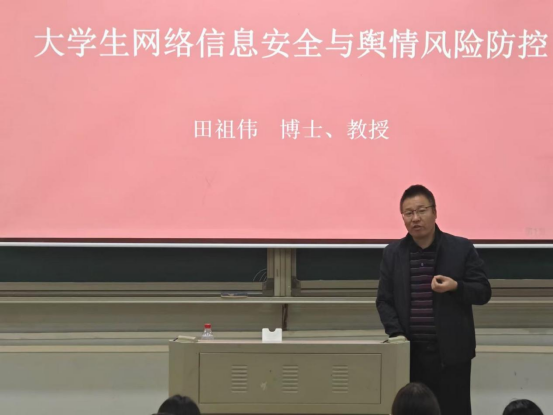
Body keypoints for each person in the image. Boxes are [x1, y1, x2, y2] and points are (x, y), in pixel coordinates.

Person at [376, 185, 492, 415]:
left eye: (421, 211)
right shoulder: (393, 253)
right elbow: (384, 300)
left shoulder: (460, 248)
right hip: (410, 355)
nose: (415, 218)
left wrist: (456, 286)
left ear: (435, 212)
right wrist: (396, 334)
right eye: (408, 213)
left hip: (451, 356)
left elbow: (483, 291)